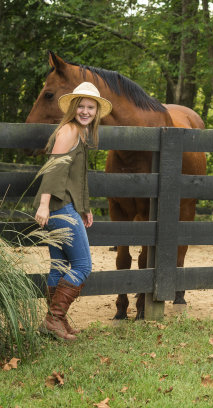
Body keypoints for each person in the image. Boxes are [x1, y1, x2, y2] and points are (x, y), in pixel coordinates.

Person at [34, 82, 112, 340]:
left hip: (63, 205)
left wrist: (85, 208)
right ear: (74, 108)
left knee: (59, 266)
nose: (86, 111)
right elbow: (54, 170)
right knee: (82, 265)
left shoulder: (80, 132)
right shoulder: (69, 131)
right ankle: (53, 318)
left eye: (91, 107)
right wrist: (44, 205)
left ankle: (55, 321)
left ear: (97, 111)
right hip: (57, 206)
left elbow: (76, 177)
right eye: (82, 106)